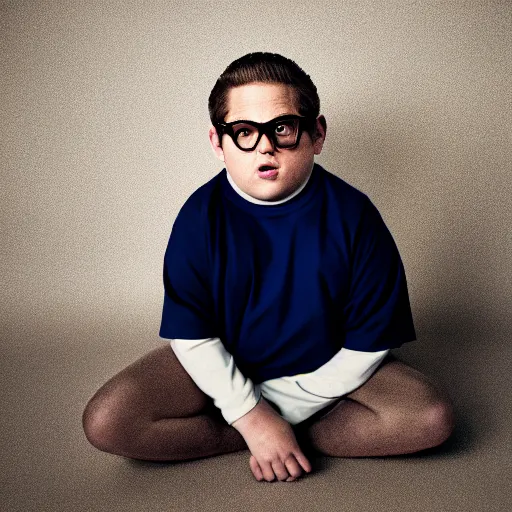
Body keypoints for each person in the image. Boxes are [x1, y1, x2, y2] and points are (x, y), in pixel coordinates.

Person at [82, 52, 455, 483]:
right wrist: (252, 418)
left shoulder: (355, 215)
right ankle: (252, 434)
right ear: (217, 144)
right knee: (107, 421)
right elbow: (193, 336)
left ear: (316, 133)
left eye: (282, 128)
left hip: (330, 369)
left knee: (431, 418)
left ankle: (284, 431)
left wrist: (284, 411)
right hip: (228, 360)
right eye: (243, 132)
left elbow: (368, 346)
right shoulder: (200, 217)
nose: (264, 145)